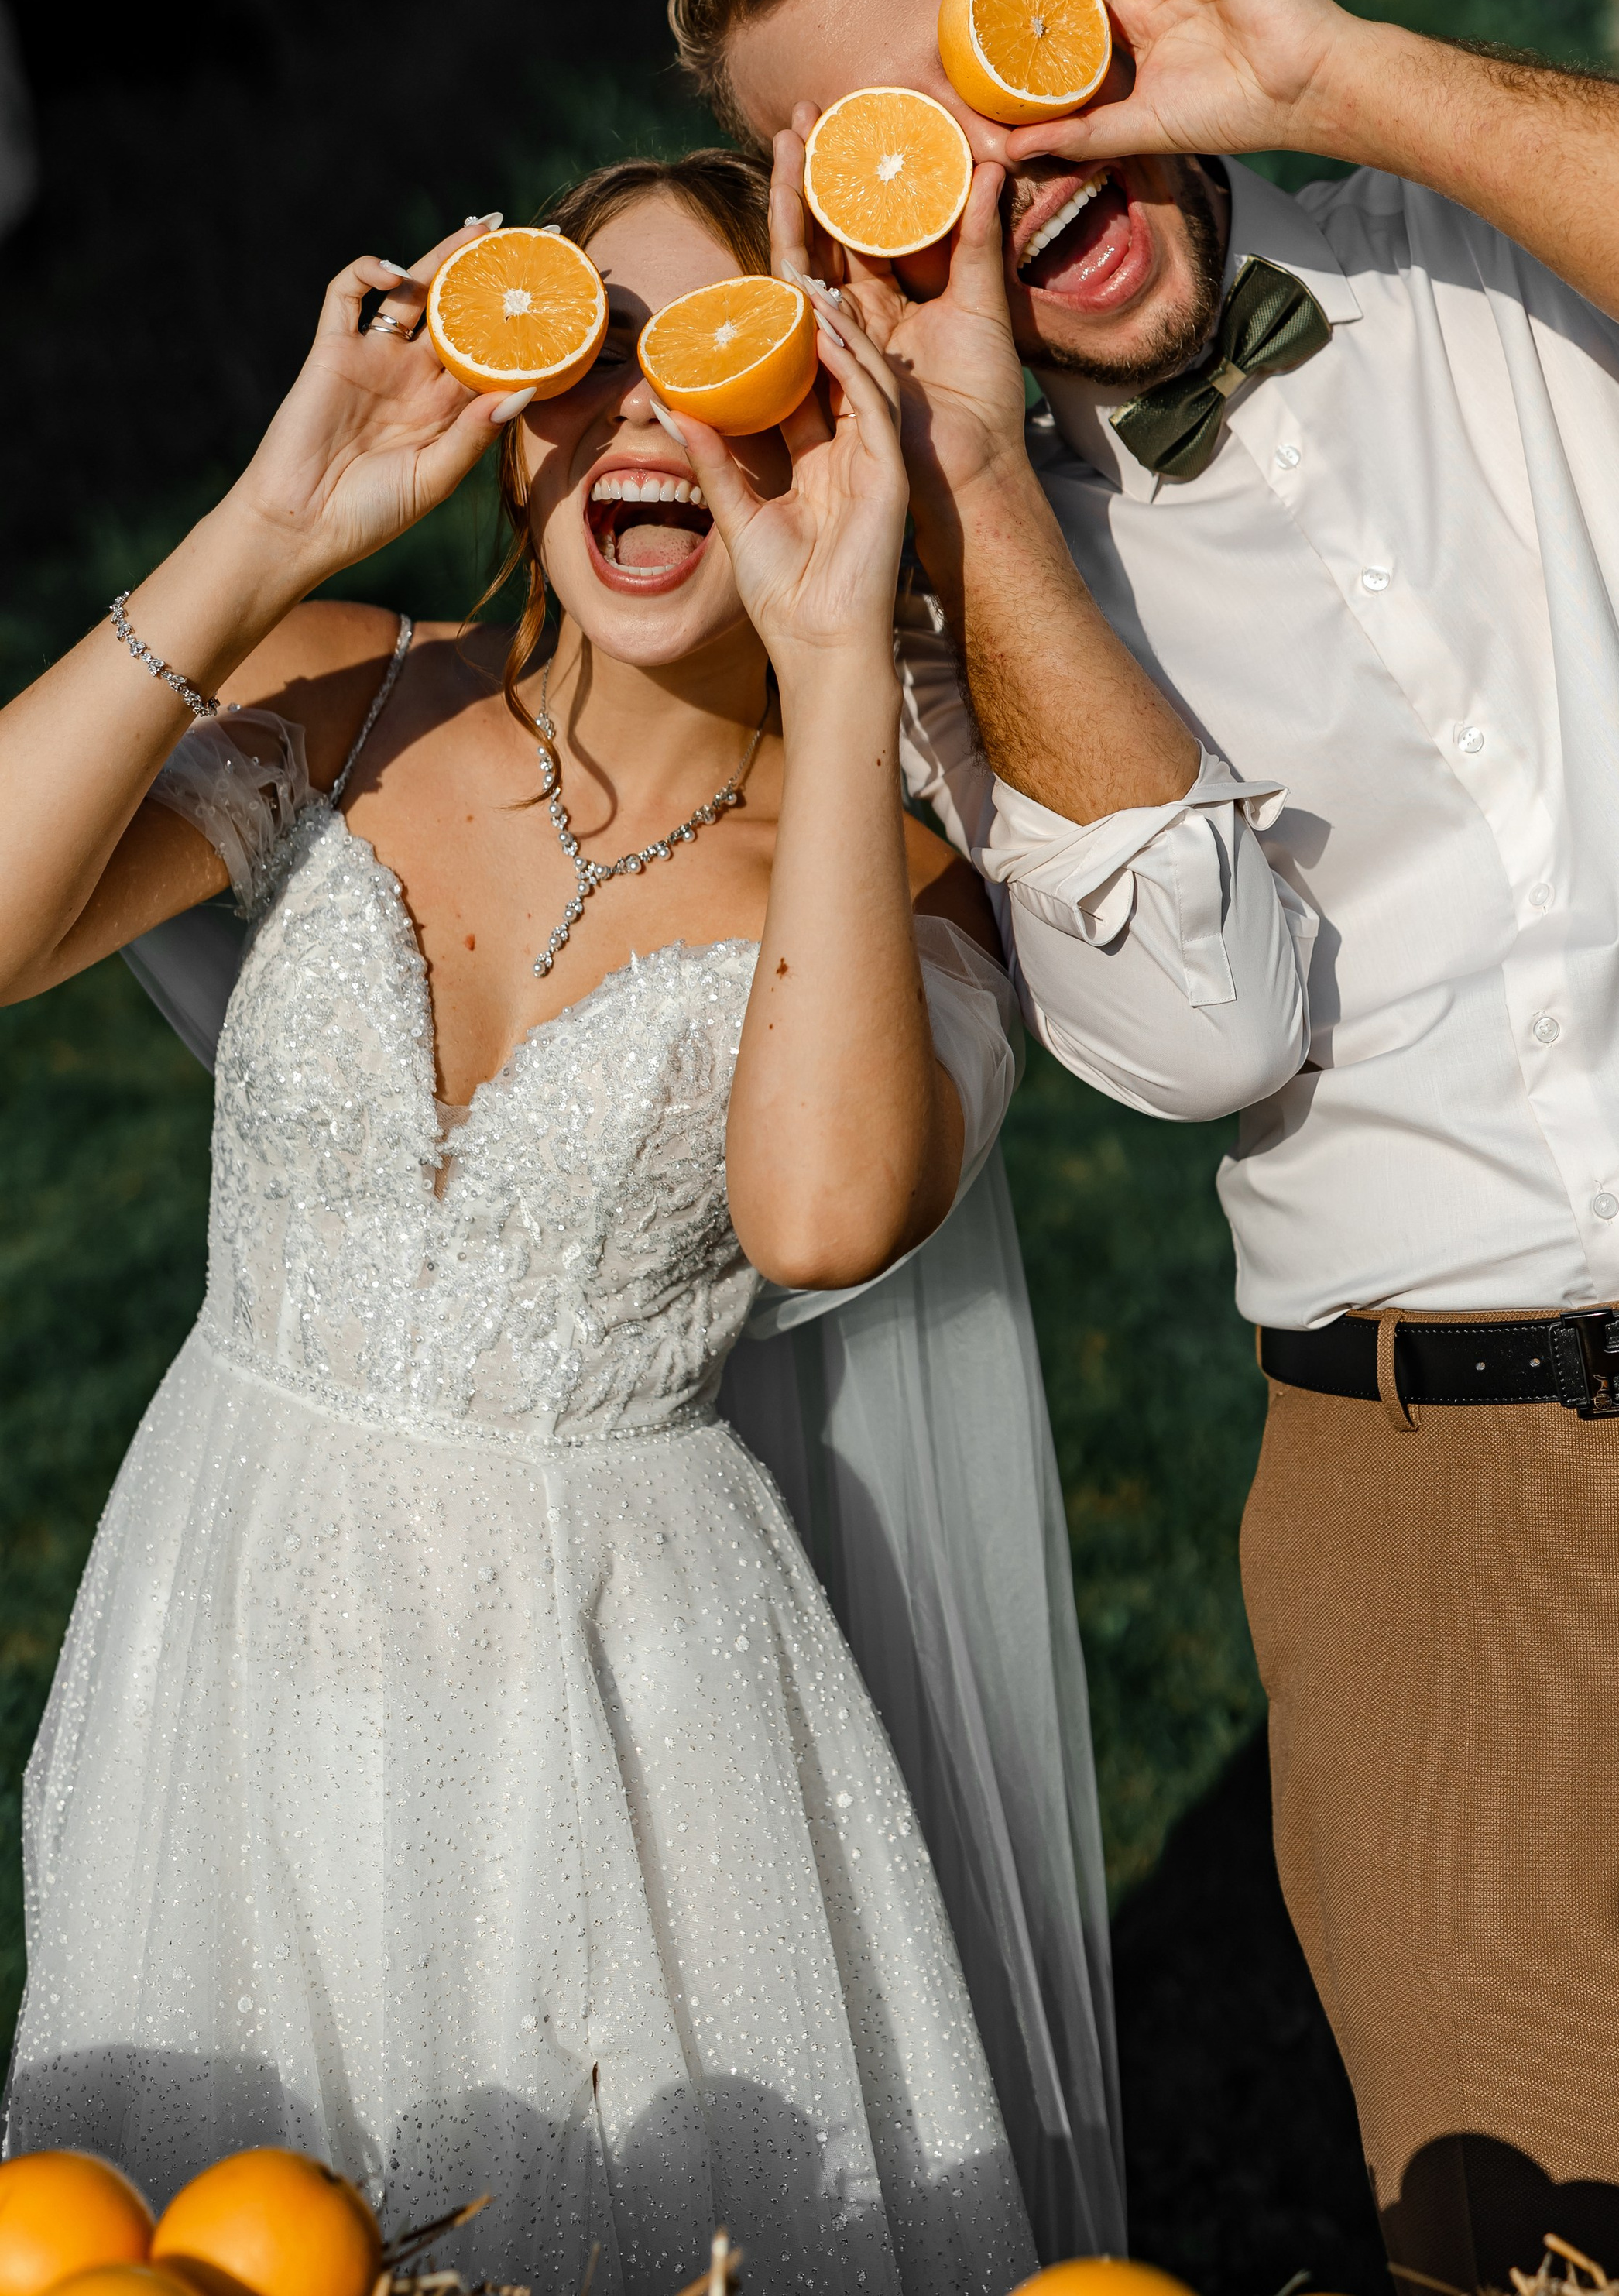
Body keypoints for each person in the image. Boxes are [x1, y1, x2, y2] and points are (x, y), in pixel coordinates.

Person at [667, 0, 1619, 2287]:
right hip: (1441, 1533)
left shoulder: (1511, 230)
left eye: (996, 60)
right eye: (896, 158)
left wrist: (1344, 77)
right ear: (837, 244)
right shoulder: (977, 615)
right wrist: (974, 486)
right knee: (1553, 2251)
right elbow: (1197, 1027)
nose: (1000, 172)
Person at [0, 146, 1063, 2295]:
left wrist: (837, 660)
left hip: (610, 1710)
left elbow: (823, 1214)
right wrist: (269, 526)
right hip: (222, 1623)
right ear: (510, 425)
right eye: (588, 357)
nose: (648, 416)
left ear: (831, 428)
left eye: (730, 362)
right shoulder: (340, 695)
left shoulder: (886, 881)